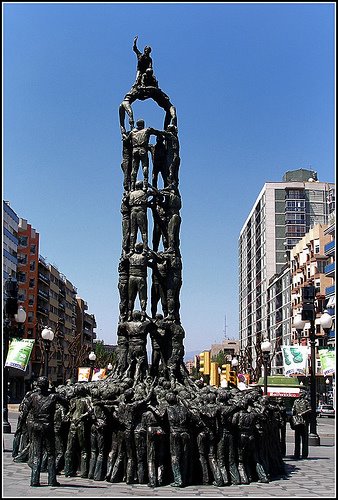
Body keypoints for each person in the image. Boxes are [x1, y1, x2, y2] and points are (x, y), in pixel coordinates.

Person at [18, 376, 68, 487]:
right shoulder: (53, 396)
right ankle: (51, 480)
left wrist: (21, 426)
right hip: (47, 426)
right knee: (51, 453)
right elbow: (66, 403)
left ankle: (34, 480)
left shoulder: (32, 396)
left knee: (37, 453)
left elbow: (24, 412)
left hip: (36, 426)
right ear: (47, 385)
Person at [130, 120, 161, 192]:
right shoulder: (146, 130)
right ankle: (145, 185)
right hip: (143, 150)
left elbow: (126, 140)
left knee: (134, 169)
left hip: (134, 150)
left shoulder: (132, 132)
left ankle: (132, 187)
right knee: (145, 166)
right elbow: (156, 132)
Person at [291, 390, 311, 459]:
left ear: (303, 394)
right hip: (297, 421)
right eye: (299, 393)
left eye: (300, 393)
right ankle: (296, 454)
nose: (299, 394)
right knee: (297, 438)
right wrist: (293, 411)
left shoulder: (306, 401)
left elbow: (309, 409)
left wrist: (302, 413)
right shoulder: (296, 401)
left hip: (304, 422)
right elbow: (293, 408)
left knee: (304, 439)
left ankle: (304, 454)